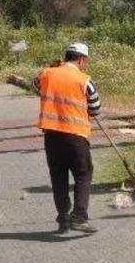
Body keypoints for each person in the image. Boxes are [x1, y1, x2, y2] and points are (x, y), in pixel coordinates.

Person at [34, 43, 101, 234]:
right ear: (80, 59)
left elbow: (35, 86)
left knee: (58, 177)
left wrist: (52, 68)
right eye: (84, 61)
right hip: (75, 136)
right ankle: (79, 217)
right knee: (83, 174)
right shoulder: (84, 80)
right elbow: (96, 108)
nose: (84, 65)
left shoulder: (46, 74)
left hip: (52, 136)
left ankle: (63, 218)